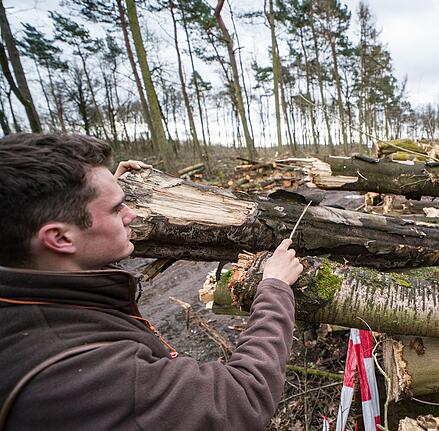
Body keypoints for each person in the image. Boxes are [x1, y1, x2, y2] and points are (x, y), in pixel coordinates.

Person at [0, 133, 303, 430]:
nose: (131, 214)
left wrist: (103, 198)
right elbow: (240, 398)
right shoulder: (85, 377)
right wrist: (274, 287)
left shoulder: (22, 298)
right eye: (117, 208)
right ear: (59, 238)